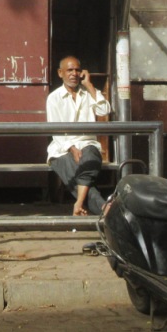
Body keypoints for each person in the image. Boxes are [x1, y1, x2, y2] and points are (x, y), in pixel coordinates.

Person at [46, 56, 111, 216]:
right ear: (60, 73)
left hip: (88, 145)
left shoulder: (88, 93)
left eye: (77, 70)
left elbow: (104, 111)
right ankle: (104, 208)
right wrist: (72, 148)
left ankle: (79, 203)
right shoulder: (54, 98)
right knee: (78, 175)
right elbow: (56, 130)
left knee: (88, 159)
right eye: (69, 70)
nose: (74, 73)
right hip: (62, 149)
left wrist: (89, 85)